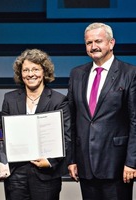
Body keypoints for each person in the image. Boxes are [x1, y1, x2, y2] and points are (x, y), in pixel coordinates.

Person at [67, 22, 136, 200]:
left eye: (98, 41)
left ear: (111, 43)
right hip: (85, 164)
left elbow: (135, 120)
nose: (93, 46)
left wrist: (132, 162)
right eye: (89, 43)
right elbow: (72, 120)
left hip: (118, 165)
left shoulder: (129, 73)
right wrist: (72, 159)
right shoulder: (76, 74)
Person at [0, 49, 71, 200]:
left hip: (46, 174)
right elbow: (2, 136)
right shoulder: (9, 99)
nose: (31, 74)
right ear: (20, 73)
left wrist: (50, 162)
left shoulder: (58, 101)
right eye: (26, 70)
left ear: (44, 72)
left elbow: (66, 137)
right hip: (16, 174)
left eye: (36, 69)